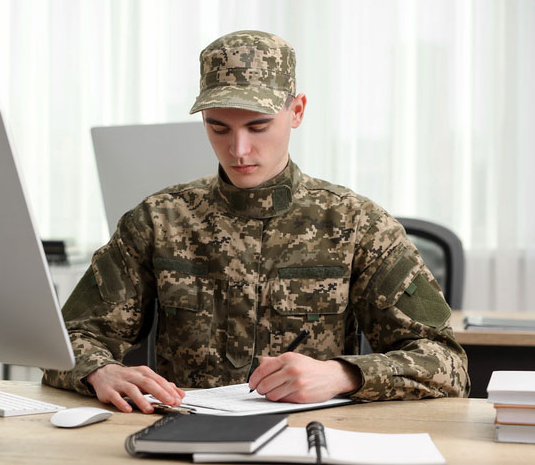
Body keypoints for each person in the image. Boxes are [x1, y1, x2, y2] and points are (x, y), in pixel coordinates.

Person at [43, 30, 470, 413]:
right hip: (181, 439)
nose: (239, 149)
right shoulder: (159, 220)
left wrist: (344, 374)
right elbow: (66, 342)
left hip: (309, 438)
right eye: (219, 129)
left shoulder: (358, 223)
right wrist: (99, 371)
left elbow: (447, 363)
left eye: (258, 126)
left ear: (297, 111)